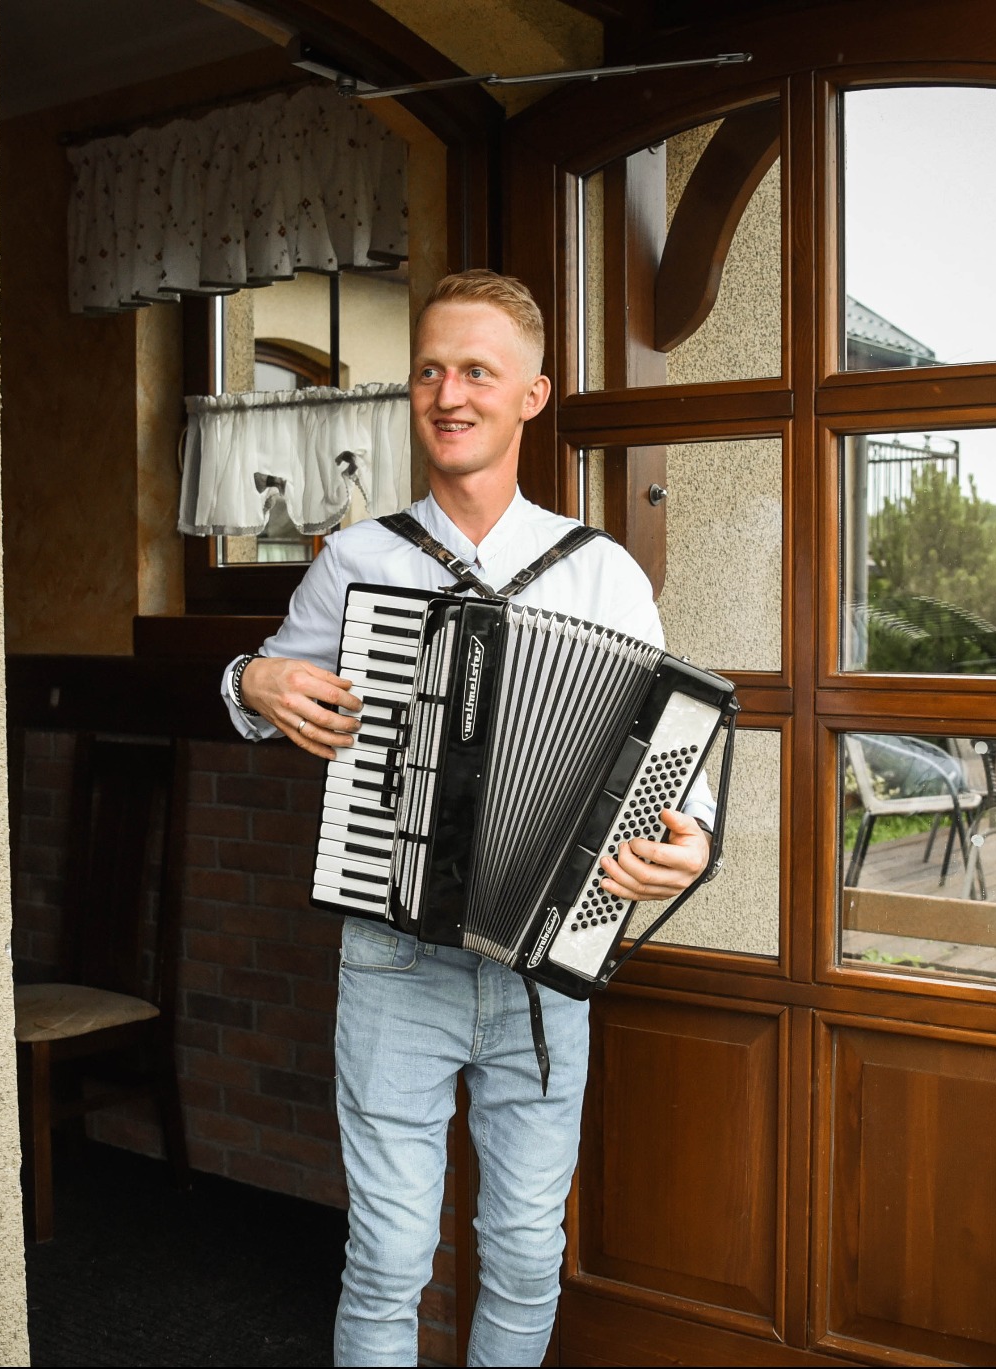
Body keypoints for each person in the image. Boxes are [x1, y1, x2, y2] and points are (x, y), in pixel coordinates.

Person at [218, 270, 712, 1367]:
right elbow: (261, 697)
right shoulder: (357, 560)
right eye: (430, 370)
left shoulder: (599, 575)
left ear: (530, 395)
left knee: (527, 1249)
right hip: (393, 959)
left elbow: (675, 768)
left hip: (541, 974)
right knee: (390, 1254)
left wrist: (691, 845)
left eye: (476, 371)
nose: (448, 393)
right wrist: (251, 678)